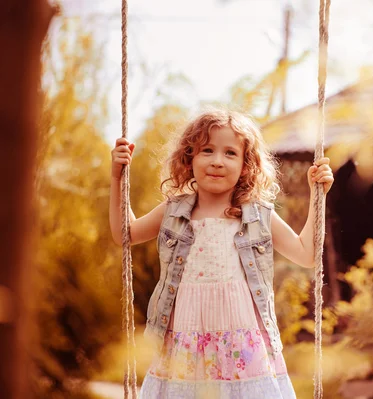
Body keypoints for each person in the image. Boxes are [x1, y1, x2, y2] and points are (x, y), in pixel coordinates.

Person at [109, 107, 334, 399]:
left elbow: (306, 254)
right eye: (207, 150)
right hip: (185, 341)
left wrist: (318, 196)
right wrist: (117, 178)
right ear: (189, 159)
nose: (217, 161)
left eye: (230, 153)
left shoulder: (257, 215)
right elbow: (125, 233)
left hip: (241, 344)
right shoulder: (174, 211)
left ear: (245, 165)